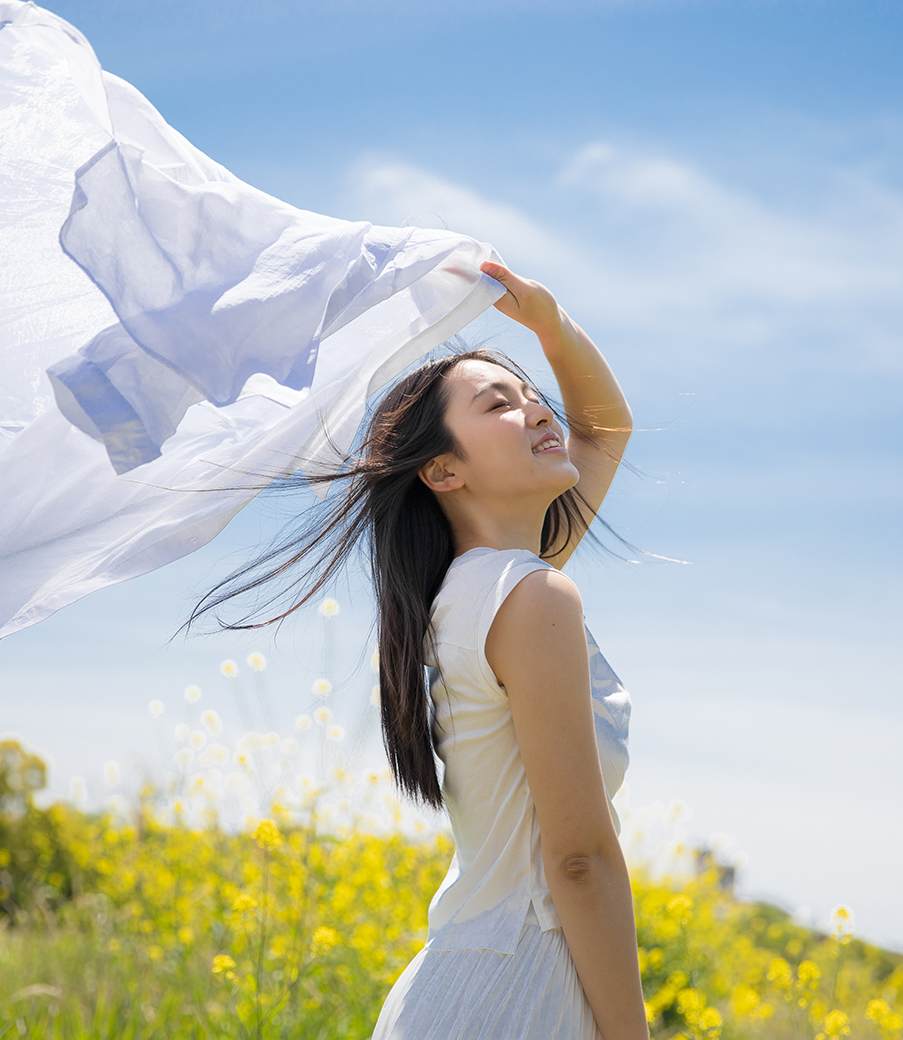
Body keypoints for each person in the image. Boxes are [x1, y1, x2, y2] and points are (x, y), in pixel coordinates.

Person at [193, 261, 648, 1039]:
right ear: (442, 470)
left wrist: (550, 325)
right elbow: (578, 860)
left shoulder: (471, 598)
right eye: (499, 403)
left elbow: (605, 428)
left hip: (467, 983)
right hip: (520, 993)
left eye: (532, 392)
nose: (538, 407)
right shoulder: (526, 597)